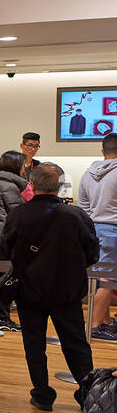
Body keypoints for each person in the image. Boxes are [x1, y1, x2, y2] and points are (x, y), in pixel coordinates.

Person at [2, 163, 98, 411]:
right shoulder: (76, 215)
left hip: (28, 289)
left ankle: (42, 394)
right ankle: (87, 392)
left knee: (34, 343)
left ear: (31, 185)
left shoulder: (18, 215)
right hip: (67, 290)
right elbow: (92, 254)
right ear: (59, 186)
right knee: (75, 343)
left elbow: (6, 251)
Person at [78, 132, 117, 340]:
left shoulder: (88, 174)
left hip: (93, 229)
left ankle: (105, 320)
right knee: (108, 279)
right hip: (113, 230)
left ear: (102, 151)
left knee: (100, 276)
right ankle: (94, 325)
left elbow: (82, 208)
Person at [0, 150, 29, 330]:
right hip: (7, 239)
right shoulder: (10, 187)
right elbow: (17, 216)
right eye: (22, 165)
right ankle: (0, 317)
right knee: (7, 279)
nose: (24, 169)